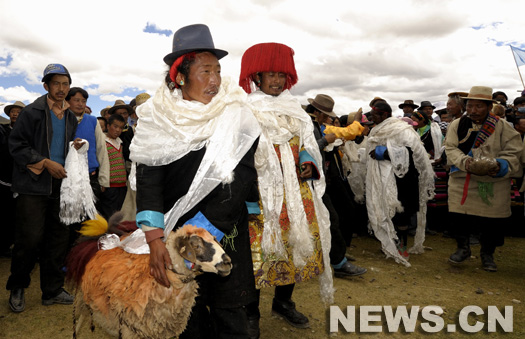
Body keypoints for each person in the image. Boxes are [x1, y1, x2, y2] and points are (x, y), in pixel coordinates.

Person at [129, 24, 261, 338]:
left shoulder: (236, 115)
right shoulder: (156, 119)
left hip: (223, 230)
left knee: (231, 314)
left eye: (217, 70)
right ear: (180, 76)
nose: (215, 80)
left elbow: (240, 178)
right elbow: (149, 180)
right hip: (175, 234)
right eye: (205, 71)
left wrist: (199, 236)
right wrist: (155, 238)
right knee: (186, 318)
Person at [238, 42, 334, 334]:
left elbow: (307, 145)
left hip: (296, 194)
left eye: (282, 74)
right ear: (257, 77)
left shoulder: (297, 110)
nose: (277, 80)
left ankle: (283, 302)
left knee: (294, 245)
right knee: (258, 251)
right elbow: (238, 152)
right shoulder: (244, 110)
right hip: (261, 192)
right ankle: (250, 312)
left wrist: (308, 162)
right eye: (271, 74)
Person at [6, 63, 84, 312]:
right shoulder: (32, 112)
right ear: (46, 86)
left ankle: (51, 290)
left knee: (58, 239)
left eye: (65, 84)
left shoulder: (70, 116)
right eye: (56, 84)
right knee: (29, 239)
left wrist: (75, 146)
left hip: (61, 185)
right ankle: (17, 286)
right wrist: (44, 162)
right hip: (33, 185)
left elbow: (62, 145)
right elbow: (16, 144)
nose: (62, 89)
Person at [445, 86, 522, 272]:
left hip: (494, 181)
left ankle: (488, 254)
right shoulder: (457, 125)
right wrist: (466, 162)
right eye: (470, 106)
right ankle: (463, 248)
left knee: (492, 222)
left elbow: (514, 151)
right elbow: (450, 148)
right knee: (459, 216)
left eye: (478, 106)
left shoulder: (503, 127)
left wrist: (500, 165)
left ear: (489, 107)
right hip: (463, 178)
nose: (472, 110)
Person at [365, 101, 435, 266]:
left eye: (375, 115)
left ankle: (402, 244)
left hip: (403, 179)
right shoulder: (377, 129)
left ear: (384, 114)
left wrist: (386, 153)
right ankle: (389, 241)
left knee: (402, 212)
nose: (372, 118)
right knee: (384, 209)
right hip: (382, 178)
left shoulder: (402, 129)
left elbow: (413, 152)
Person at [305, 94, 368, 276]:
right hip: (311, 183)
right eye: (326, 114)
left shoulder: (316, 125)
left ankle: (336, 256)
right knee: (330, 220)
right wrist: (326, 141)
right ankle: (338, 262)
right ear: (317, 112)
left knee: (330, 219)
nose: (328, 118)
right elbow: (305, 150)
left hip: (317, 182)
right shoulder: (308, 126)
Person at [0, 101, 25, 257]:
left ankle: (17, 246)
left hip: (22, 182)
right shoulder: (2, 131)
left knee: (20, 216)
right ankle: (3, 246)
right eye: (13, 111)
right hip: (4, 181)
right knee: (4, 214)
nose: (15, 113)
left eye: (18, 111)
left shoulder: (27, 133)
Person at [99, 114, 127, 219]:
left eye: (121, 127)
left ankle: (114, 234)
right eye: (115, 126)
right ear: (108, 126)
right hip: (109, 186)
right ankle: (106, 234)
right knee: (108, 214)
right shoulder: (102, 141)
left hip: (122, 186)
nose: (118, 130)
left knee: (117, 215)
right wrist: (102, 182)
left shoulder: (120, 142)